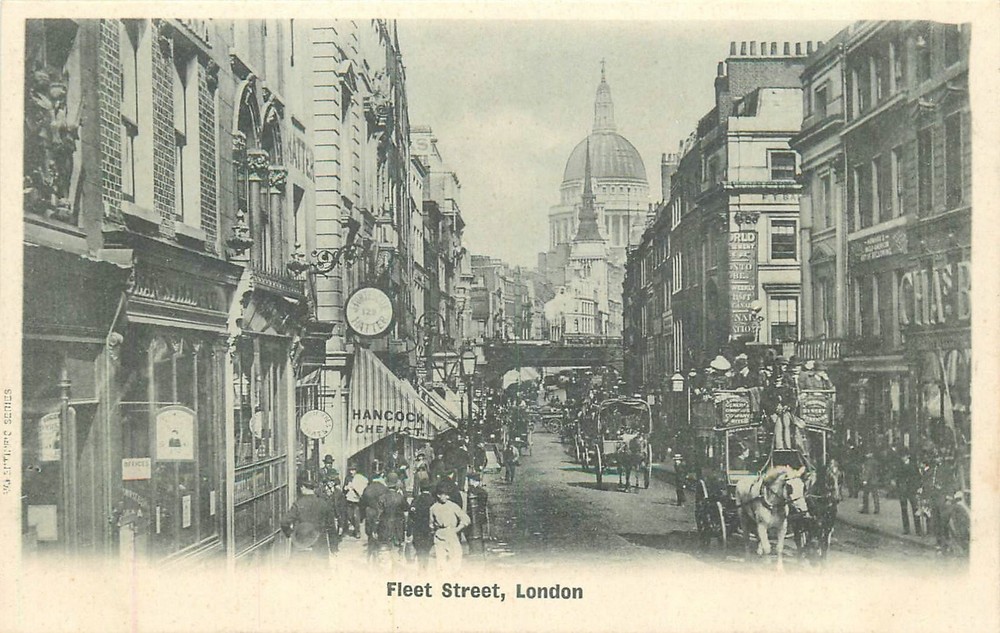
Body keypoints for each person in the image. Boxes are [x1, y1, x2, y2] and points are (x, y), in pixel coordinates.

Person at [281, 471, 337, 563]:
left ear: (303, 488)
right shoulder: (324, 504)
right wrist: (333, 547)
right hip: (319, 543)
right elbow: (331, 527)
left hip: (301, 543)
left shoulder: (298, 504)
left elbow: (284, 522)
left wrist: (290, 534)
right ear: (314, 489)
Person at [430, 480, 471, 572]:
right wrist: (434, 531)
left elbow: (466, 519)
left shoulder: (453, 506)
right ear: (438, 495)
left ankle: (453, 577)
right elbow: (431, 523)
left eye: (447, 495)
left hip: (451, 533)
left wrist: (457, 529)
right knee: (441, 562)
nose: (446, 497)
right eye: (443, 494)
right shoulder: (433, 508)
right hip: (440, 535)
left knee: (456, 557)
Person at [377, 472, 408, 555]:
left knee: (385, 551)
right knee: (396, 551)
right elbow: (406, 510)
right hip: (398, 527)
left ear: (387, 483)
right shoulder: (400, 497)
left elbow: (379, 514)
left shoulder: (382, 497)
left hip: (385, 527)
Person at [407, 482, 436, 569]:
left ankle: (421, 567)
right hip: (429, 529)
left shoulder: (416, 500)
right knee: (427, 549)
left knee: (419, 549)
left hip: (418, 528)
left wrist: (409, 531)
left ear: (420, 489)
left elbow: (410, 516)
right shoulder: (433, 500)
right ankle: (425, 566)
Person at [896, 452, 923, 536]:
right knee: (904, 509)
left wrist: (917, 487)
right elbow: (897, 477)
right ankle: (906, 529)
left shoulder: (913, 465)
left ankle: (918, 530)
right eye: (902, 456)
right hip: (903, 490)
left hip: (912, 490)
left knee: (915, 509)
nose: (903, 458)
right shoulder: (899, 465)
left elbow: (918, 477)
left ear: (908, 456)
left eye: (904, 456)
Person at [465, 472, 490, 556]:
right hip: (480, 516)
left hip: (475, 516)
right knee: (480, 534)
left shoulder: (473, 491)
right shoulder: (482, 491)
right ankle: (480, 549)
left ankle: (475, 550)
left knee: (473, 534)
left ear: (472, 481)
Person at [342, 465, 368, 538]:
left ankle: (357, 531)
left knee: (356, 516)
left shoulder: (359, 478)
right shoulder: (348, 478)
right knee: (350, 516)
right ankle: (355, 527)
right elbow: (344, 489)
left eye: (353, 470)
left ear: (356, 470)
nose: (351, 472)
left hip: (357, 500)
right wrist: (346, 488)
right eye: (350, 470)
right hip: (349, 499)